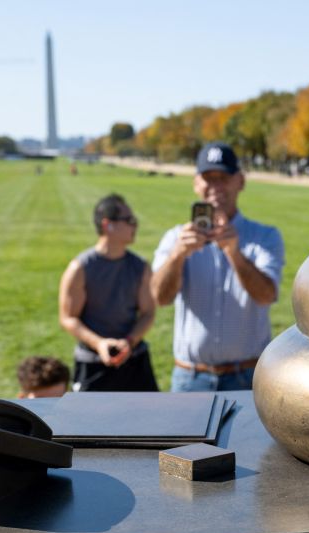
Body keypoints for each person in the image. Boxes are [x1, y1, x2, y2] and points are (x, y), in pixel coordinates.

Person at [151, 142, 285, 392]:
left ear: (240, 182)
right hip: (191, 377)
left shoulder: (265, 236)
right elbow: (160, 297)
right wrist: (178, 256)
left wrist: (234, 253)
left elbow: (267, 295)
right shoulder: (175, 239)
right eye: (208, 179)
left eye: (223, 178)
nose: (215, 188)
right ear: (196, 183)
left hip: (246, 375)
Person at [59, 194, 158, 391]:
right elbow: (68, 318)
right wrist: (99, 343)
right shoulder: (80, 268)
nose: (135, 225)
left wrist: (129, 341)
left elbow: (148, 313)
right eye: (129, 220)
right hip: (93, 362)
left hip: (134, 361)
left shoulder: (140, 267)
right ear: (108, 225)